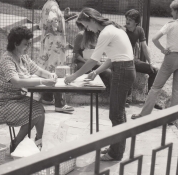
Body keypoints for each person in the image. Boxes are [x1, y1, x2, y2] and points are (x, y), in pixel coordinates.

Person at [65, 8, 136, 161]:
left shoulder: (106, 32)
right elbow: (112, 58)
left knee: (116, 114)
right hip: (124, 68)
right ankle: (116, 148)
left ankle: (116, 153)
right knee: (119, 113)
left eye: (86, 25)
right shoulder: (112, 29)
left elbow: (92, 61)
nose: (87, 29)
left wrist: (73, 76)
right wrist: (97, 72)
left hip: (123, 71)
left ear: (92, 20)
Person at [0, 26, 57, 153]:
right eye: (26, 44)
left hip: (16, 98)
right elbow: (16, 82)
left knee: (40, 109)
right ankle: (16, 143)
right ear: (16, 43)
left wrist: (50, 75)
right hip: (0, 101)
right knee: (35, 113)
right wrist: (43, 81)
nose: (28, 47)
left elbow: (37, 70)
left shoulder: (23, 56)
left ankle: (38, 141)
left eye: (29, 44)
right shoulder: (7, 59)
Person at [131, 0, 178, 119]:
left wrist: (163, 50)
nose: (171, 13)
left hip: (171, 57)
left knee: (156, 87)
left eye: (172, 10)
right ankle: (172, 118)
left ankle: (144, 114)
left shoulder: (170, 24)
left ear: (176, 11)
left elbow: (155, 39)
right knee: (176, 90)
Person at [36, 0, 74, 112]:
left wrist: (64, 17)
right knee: (58, 70)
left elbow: (42, 24)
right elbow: (52, 20)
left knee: (49, 68)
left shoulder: (47, 5)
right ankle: (60, 104)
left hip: (48, 43)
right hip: (55, 45)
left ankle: (47, 97)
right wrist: (57, 26)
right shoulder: (53, 6)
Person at [125, 9, 162, 109]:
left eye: (130, 20)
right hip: (124, 61)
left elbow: (144, 47)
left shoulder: (139, 30)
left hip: (134, 60)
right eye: (127, 19)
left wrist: (151, 63)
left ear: (136, 22)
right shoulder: (122, 31)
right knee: (129, 69)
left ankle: (151, 100)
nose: (127, 21)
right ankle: (127, 97)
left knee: (154, 71)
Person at [73, 22, 112, 94]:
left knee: (108, 72)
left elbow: (99, 52)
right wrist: (85, 61)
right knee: (86, 69)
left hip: (94, 61)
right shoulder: (80, 35)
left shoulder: (98, 36)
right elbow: (76, 53)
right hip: (82, 61)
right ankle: (85, 91)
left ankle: (107, 93)